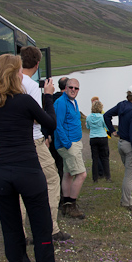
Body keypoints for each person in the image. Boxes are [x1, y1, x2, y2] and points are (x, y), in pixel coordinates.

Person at [0, 53, 68, 262]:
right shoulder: (25, 101)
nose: (22, 74)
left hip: (1, 173)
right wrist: (48, 97)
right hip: (28, 169)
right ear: (13, 74)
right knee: (41, 228)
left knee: (11, 229)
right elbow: (49, 124)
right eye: (19, 70)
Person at [19, 46, 70, 242]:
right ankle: (50, 228)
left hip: (15, 142)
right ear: (38, 63)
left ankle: (20, 233)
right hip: (33, 141)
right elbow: (37, 118)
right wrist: (47, 96)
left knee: (20, 187)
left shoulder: (10, 82)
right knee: (52, 179)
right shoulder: (30, 85)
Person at [104, 85, 132, 212]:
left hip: (121, 144)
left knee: (128, 174)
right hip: (130, 146)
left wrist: (112, 131)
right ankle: (127, 203)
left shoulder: (122, 105)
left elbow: (106, 115)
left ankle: (126, 201)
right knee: (129, 177)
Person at [54, 78, 87, 219]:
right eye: (71, 87)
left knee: (68, 174)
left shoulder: (73, 102)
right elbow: (57, 125)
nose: (73, 90)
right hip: (68, 144)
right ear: (65, 88)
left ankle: (66, 206)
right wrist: (67, 143)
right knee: (81, 174)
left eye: (76, 88)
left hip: (74, 142)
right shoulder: (61, 103)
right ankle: (71, 205)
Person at [86, 97, 112, 182]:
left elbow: (87, 127)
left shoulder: (89, 117)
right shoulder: (102, 117)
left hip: (93, 137)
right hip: (102, 137)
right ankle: (107, 177)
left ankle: (95, 178)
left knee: (95, 158)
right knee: (105, 157)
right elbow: (106, 127)